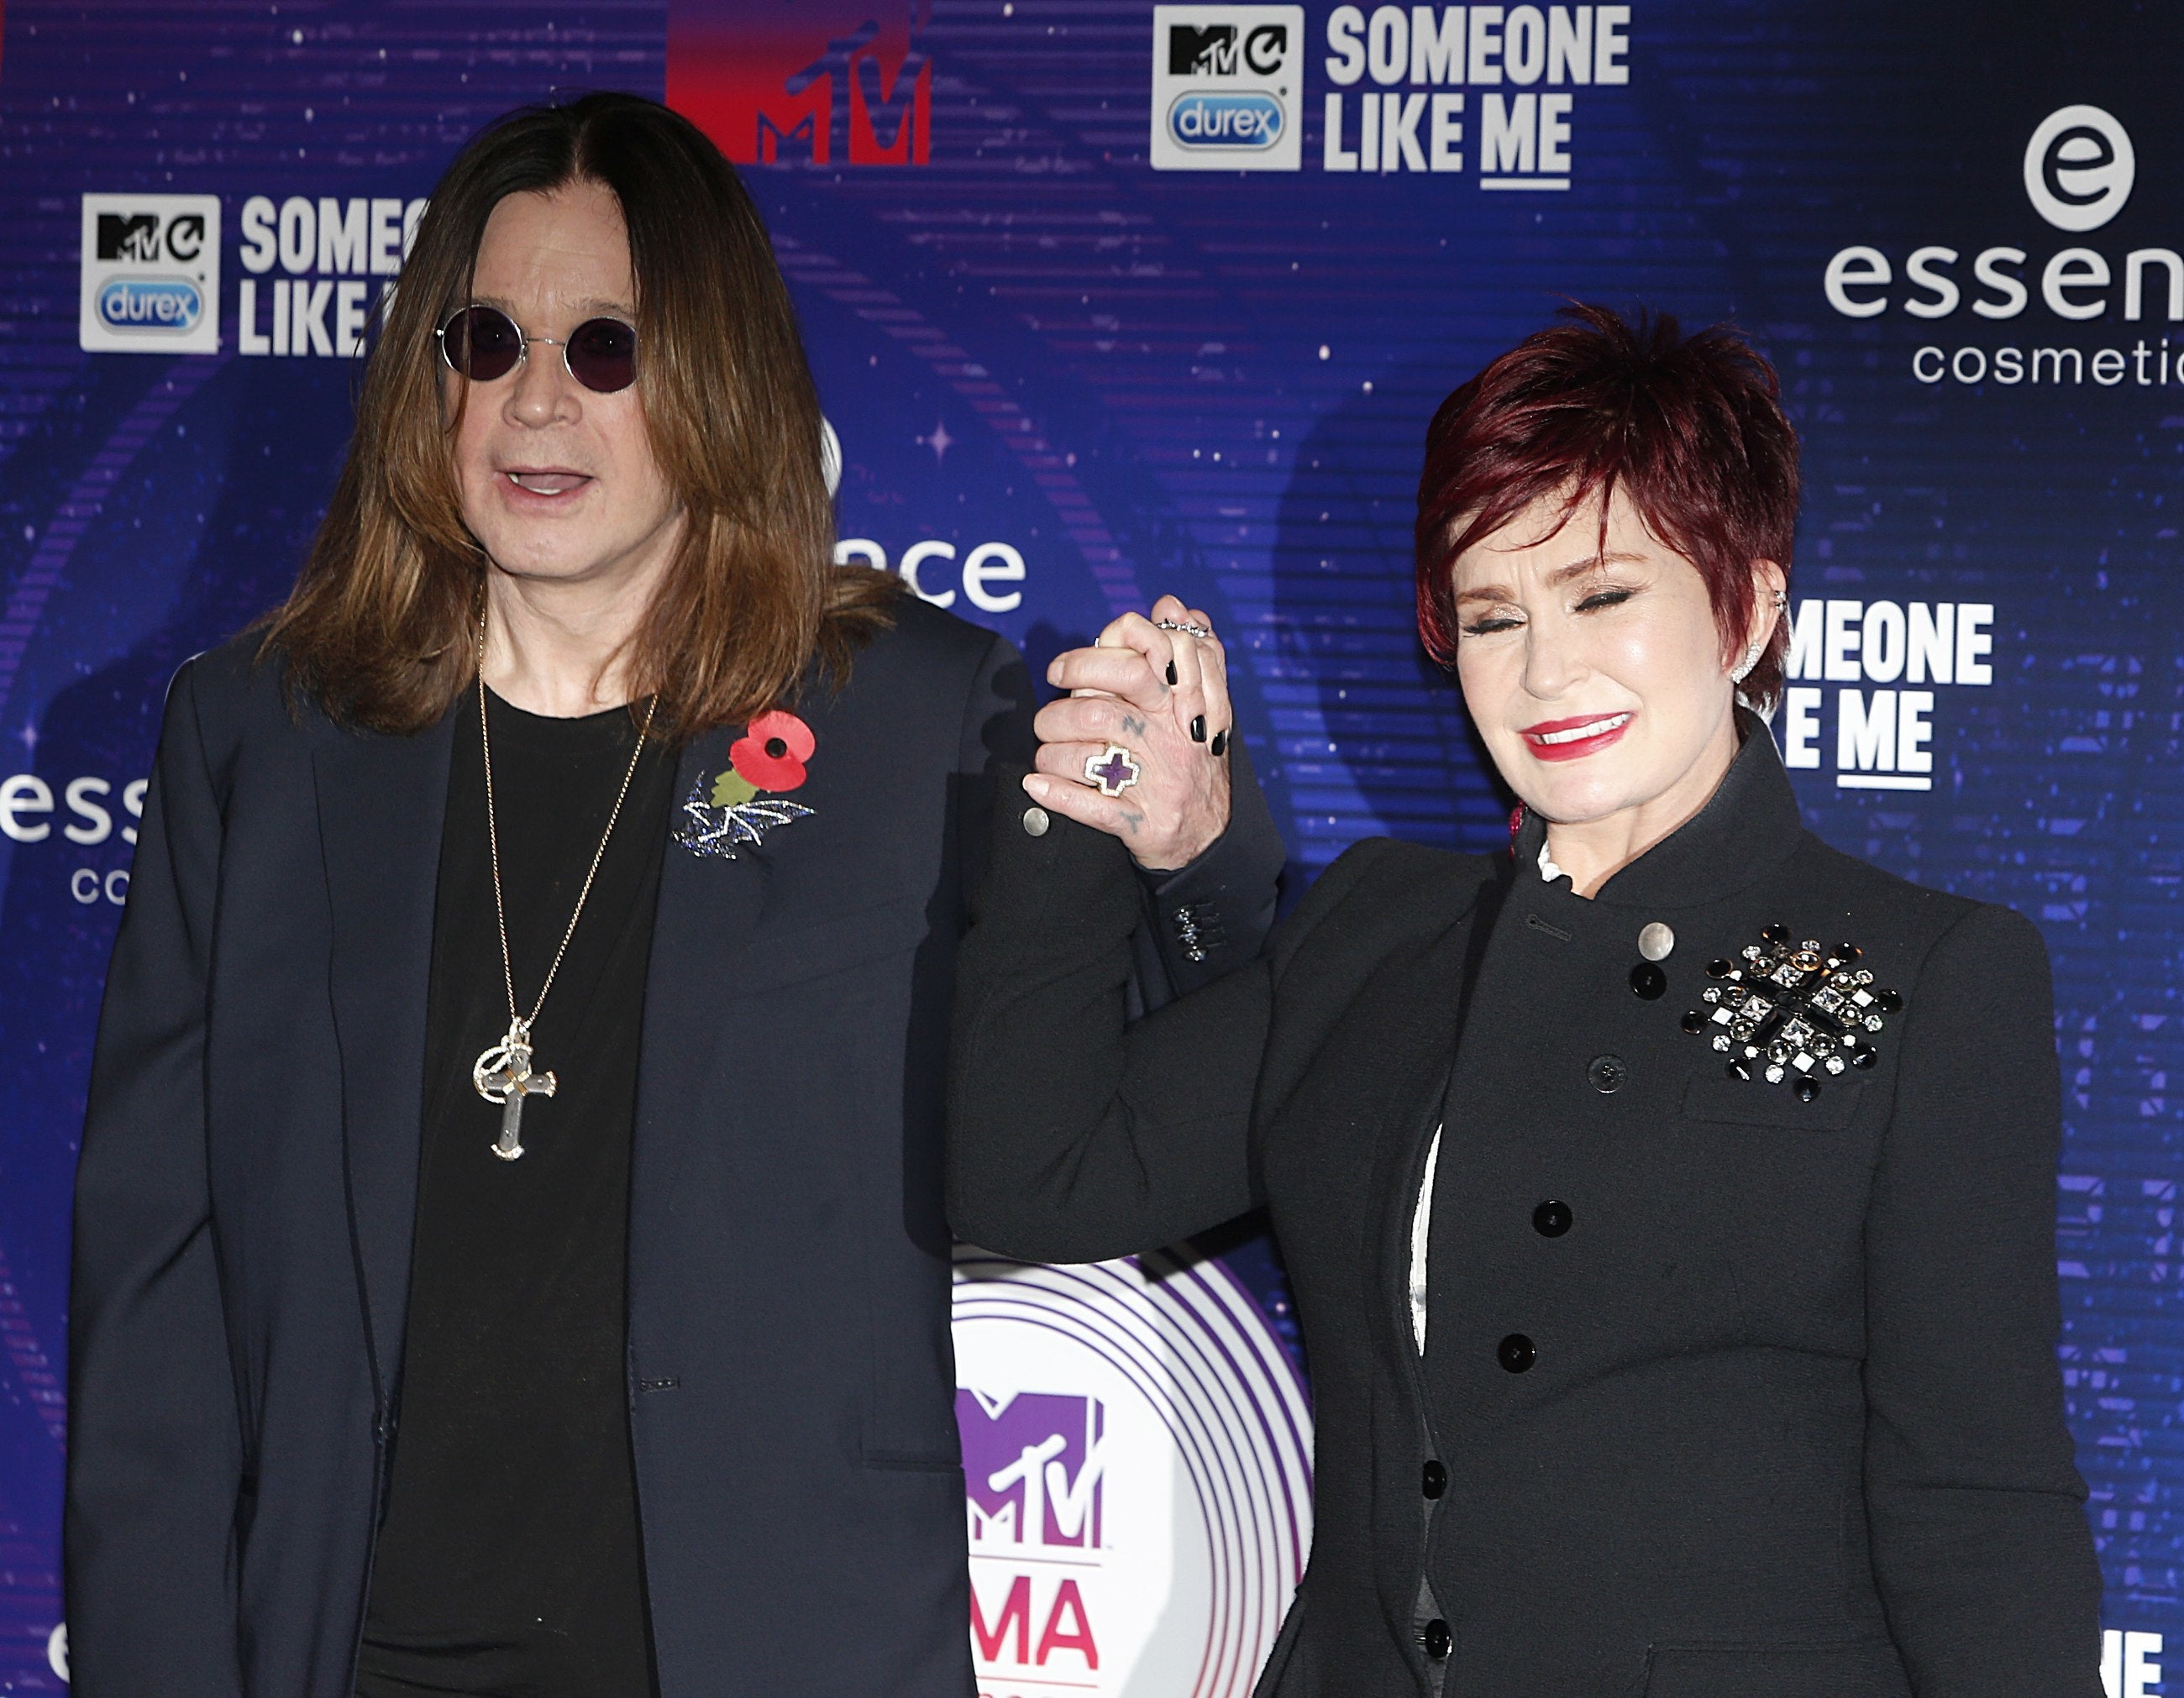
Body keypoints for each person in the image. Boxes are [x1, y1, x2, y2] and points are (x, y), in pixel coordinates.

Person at [64, 92, 1281, 1698]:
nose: (532, 401)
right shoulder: (265, 735)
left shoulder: (922, 719)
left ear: (716, 378)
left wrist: (1193, 849)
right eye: (486, 342)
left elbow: (1162, 1121)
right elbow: (156, 1291)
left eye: (605, 349)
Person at [948, 304, 2103, 1697]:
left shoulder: (1929, 975)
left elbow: (1978, 1502)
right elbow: (1027, 1178)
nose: (1546, 671)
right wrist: (1078, 810)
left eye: (1605, 596)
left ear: (1749, 606)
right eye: (1496, 614)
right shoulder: (1378, 934)